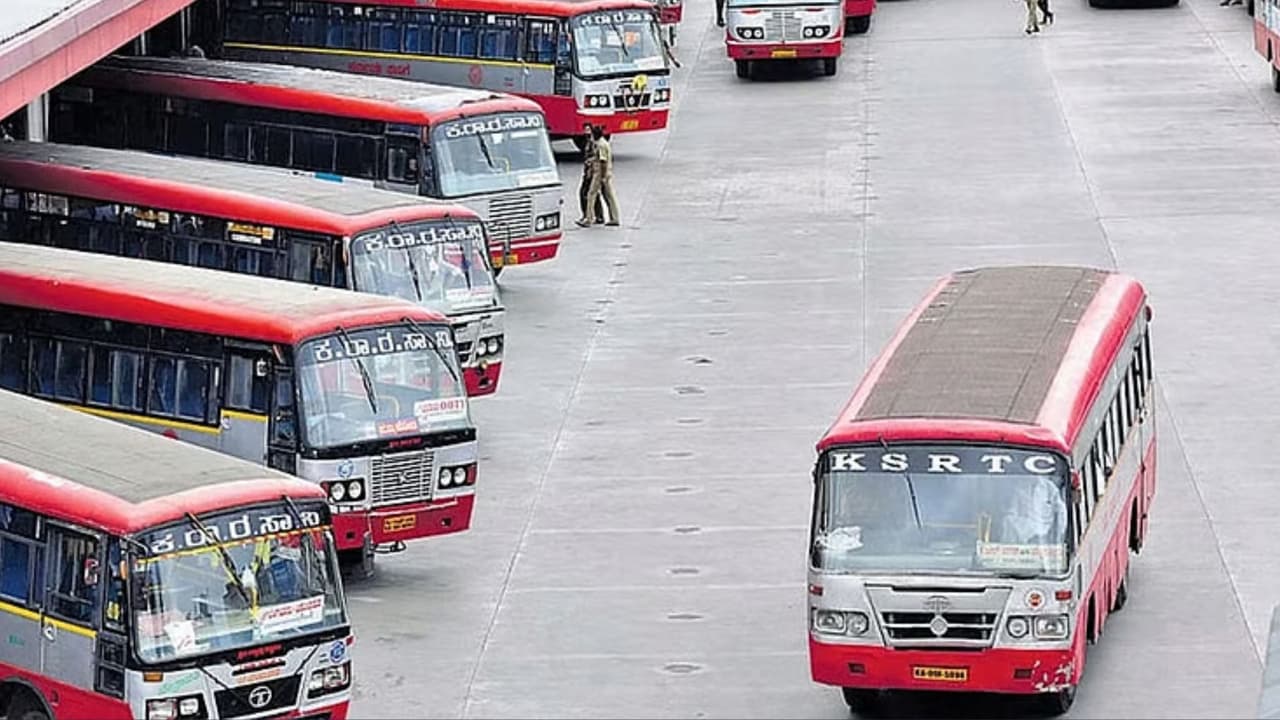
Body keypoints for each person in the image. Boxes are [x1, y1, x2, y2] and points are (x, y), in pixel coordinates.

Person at [579, 125, 620, 227]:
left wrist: (602, 177)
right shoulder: (602, 143)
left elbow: (603, 162)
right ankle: (614, 218)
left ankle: (589, 218)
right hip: (605, 174)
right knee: (609, 196)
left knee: (591, 194)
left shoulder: (600, 145)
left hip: (599, 174)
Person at [577, 124, 606, 224]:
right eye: (585, 129)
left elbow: (598, 158)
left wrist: (590, 164)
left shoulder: (594, 142)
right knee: (592, 194)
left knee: (586, 193)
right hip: (588, 171)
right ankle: (597, 216)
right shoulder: (587, 140)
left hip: (592, 171)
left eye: (588, 129)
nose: (586, 131)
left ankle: (589, 216)